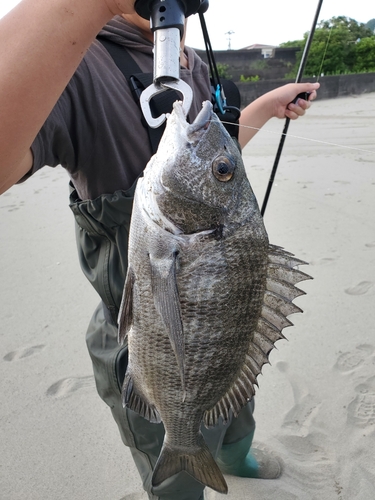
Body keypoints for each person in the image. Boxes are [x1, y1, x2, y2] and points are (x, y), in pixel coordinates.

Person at [0, 1, 319, 499]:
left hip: (225, 321)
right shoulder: (75, 61)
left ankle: (238, 457)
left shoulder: (188, 57)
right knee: (174, 471)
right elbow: (202, 169)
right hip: (143, 340)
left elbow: (215, 155)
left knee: (235, 408)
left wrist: (264, 107)